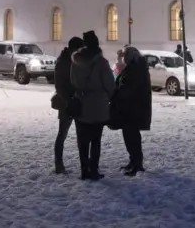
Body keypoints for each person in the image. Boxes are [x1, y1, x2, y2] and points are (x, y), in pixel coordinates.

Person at [70, 30, 115, 180]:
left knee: (82, 141)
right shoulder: (101, 63)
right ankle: (94, 170)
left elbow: (73, 81)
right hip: (98, 107)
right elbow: (110, 85)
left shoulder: (76, 61)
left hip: (81, 104)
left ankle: (84, 170)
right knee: (96, 140)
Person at [111, 46, 151, 176]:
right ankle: (134, 161)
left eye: (125, 55)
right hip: (131, 108)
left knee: (132, 137)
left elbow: (128, 88)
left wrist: (116, 93)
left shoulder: (135, 69)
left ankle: (137, 163)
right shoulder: (135, 67)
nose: (123, 58)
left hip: (133, 109)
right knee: (130, 136)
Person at [53, 36, 84, 174]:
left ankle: (62, 164)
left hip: (73, 100)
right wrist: (68, 97)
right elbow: (60, 84)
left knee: (73, 134)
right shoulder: (65, 61)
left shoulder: (66, 60)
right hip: (68, 102)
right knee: (63, 134)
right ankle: (59, 164)